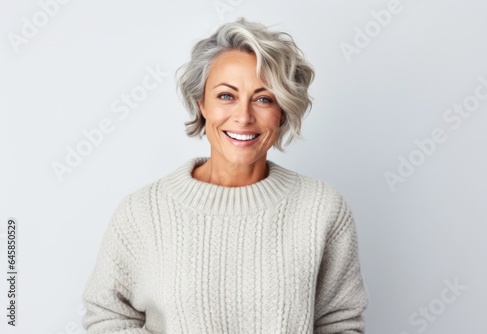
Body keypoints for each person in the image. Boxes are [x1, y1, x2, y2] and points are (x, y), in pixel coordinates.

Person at [82, 18, 368, 333]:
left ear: (283, 110)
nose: (243, 117)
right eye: (226, 96)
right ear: (201, 103)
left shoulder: (322, 208)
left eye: (263, 99)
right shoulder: (143, 213)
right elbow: (108, 318)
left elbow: (339, 323)